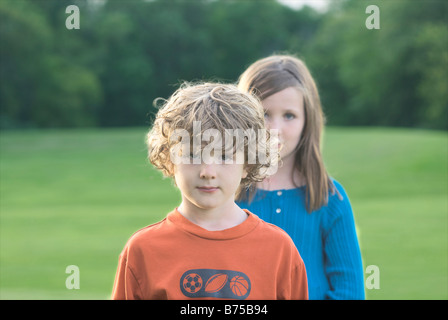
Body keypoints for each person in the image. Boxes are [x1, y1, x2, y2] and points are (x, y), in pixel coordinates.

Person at [111, 82, 308, 300]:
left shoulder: (279, 250)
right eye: (193, 155)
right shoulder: (143, 250)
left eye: (224, 156)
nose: (208, 172)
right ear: (170, 159)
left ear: (248, 164)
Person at [236, 55, 365, 300]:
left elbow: (350, 292)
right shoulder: (226, 195)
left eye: (289, 116)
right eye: (264, 114)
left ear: (308, 121)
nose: (275, 129)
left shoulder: (329, 198)